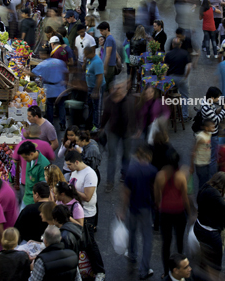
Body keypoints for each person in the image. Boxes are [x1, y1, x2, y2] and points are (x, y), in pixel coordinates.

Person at [65, 151, 106, 280]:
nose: (68, 168)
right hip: (76, 211)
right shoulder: (75, 172)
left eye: (69, 165)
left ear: (77, 162)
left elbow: (88, 197)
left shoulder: (90, 174)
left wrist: (72, 190)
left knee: (90, 243)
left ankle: (99, 271)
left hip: (87, 215)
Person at [120, 144, 158, 280]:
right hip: (147, 208)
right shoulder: (152, 170)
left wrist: (122, 210)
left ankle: (132, 254)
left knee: (132, 232)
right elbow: (155, 190)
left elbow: (126, 193)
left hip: (133, 207)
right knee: (147, 238)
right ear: (149, 156)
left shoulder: (131, 170)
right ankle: (144, 270)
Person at [155, 150, 190, 279]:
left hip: (165, 213)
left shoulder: (160, 175)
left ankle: (166, 271)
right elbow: (185, 197)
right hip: (179, 212)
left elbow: (157, 196)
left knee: (166, 243)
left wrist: (160, 204)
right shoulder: (181, 176)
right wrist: (190, 213)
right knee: (180, 241)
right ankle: (180, 269)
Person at [194, 172, 225, 279]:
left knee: (204, 256)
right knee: (216, 260)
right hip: (211, 232)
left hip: (199, 226)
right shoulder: (214, 194)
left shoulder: (205, 187)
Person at [100, 79, 136, 191]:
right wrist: (101, 127)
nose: (117, 90)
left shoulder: (129, 100)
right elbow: (105, 114)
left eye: (120, 87)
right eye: (116, 87)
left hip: (127, 132)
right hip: (113, 131)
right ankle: (109, 182)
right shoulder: (109, 101)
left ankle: (124, 175)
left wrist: (136, 129)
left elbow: (134, 114)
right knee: (112, 156)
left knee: (126, 155)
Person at [24, 45, 68, 129]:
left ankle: (50, 124)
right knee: (61, 106)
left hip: (50, 88)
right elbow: (66, 72)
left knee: (50, 106)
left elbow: (34, 73)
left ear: (43, 54)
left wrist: (25, 71)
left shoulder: (43, 64)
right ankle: (63, 124)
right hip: (60, 87)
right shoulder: (59, 62)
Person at [13, 124, 56, 201]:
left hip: (25, 182)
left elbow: (14, 160)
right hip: (39, 185)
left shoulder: (21, 144)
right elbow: (53, 157)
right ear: (40, 132)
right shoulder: (45, 145)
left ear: (28, 132)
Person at [200, 87, 225, 176]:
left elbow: (214, 113)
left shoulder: (207, 102)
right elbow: (216, 121)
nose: (218, 99)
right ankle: (213, 177)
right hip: (212, 135)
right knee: (213, 158)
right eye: (218, 97)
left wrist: (220, 109)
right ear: (212, 97)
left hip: (210, 134)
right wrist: (224, 110)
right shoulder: (207, 108)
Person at [165, 38, 192, 122]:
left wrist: (165, 78)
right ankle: (184, 116)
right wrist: (186, 76)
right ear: (180, 44)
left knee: (168, 95)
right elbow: (189, 66)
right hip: (181, 78)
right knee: (185, 97)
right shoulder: (185, 53)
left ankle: (168, 112)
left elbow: (165, 68)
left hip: (171, 78)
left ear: (173, 45)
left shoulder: (168, 54)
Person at [17, 141, 51, 209]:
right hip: (26, 197)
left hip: (34, 202)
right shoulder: (30, 159)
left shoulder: (43, 164)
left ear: (31, 154)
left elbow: (43, 187)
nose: (24, 159)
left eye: (25, 157)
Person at [84, 46, 105, 131]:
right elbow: (84, 69)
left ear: (91, 53)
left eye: (86, 55)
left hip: (96, 88)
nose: (85, 56)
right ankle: (91, 122)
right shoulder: (89, 60)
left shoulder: (97, 62)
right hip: (90, 87)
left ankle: (97, 126)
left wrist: (96, 90)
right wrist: (85, 62)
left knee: (97, 107)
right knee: (91, 106)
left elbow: (99, 77)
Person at [190, 119, 214, 189]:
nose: (214, 128)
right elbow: (193, 152)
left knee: (206, 180)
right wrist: (191, 166)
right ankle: (201, 196)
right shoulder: (200, 137)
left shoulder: (209, 134)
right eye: (212, 127)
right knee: (203, 182)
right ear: (206, 128)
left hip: (206, 161)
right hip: (200, 163)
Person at [97, 21, 119, 89]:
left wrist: (105, 68)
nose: (100, 32)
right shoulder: (109, 38)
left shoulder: (109, 39)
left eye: (102, 30)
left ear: (107, 29)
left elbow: (108, 55)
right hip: (109, 66)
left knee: (106, 86)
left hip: (109, 66)